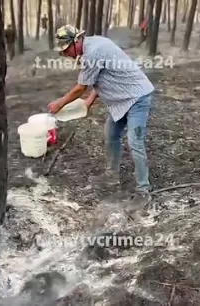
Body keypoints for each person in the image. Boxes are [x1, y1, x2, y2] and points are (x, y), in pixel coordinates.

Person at [47, 25, 155, 210]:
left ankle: (143, 191)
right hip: (121, 101)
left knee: (134, 141)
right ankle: (112, 176)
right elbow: (100, 78)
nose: (66, 55)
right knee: (111, 134)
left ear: (76, 41)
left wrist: (60, 103)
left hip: (137, 97)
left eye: (66, 50)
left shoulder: (93, 53)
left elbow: (81, 86)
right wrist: (88, 102)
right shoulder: (94, 44)